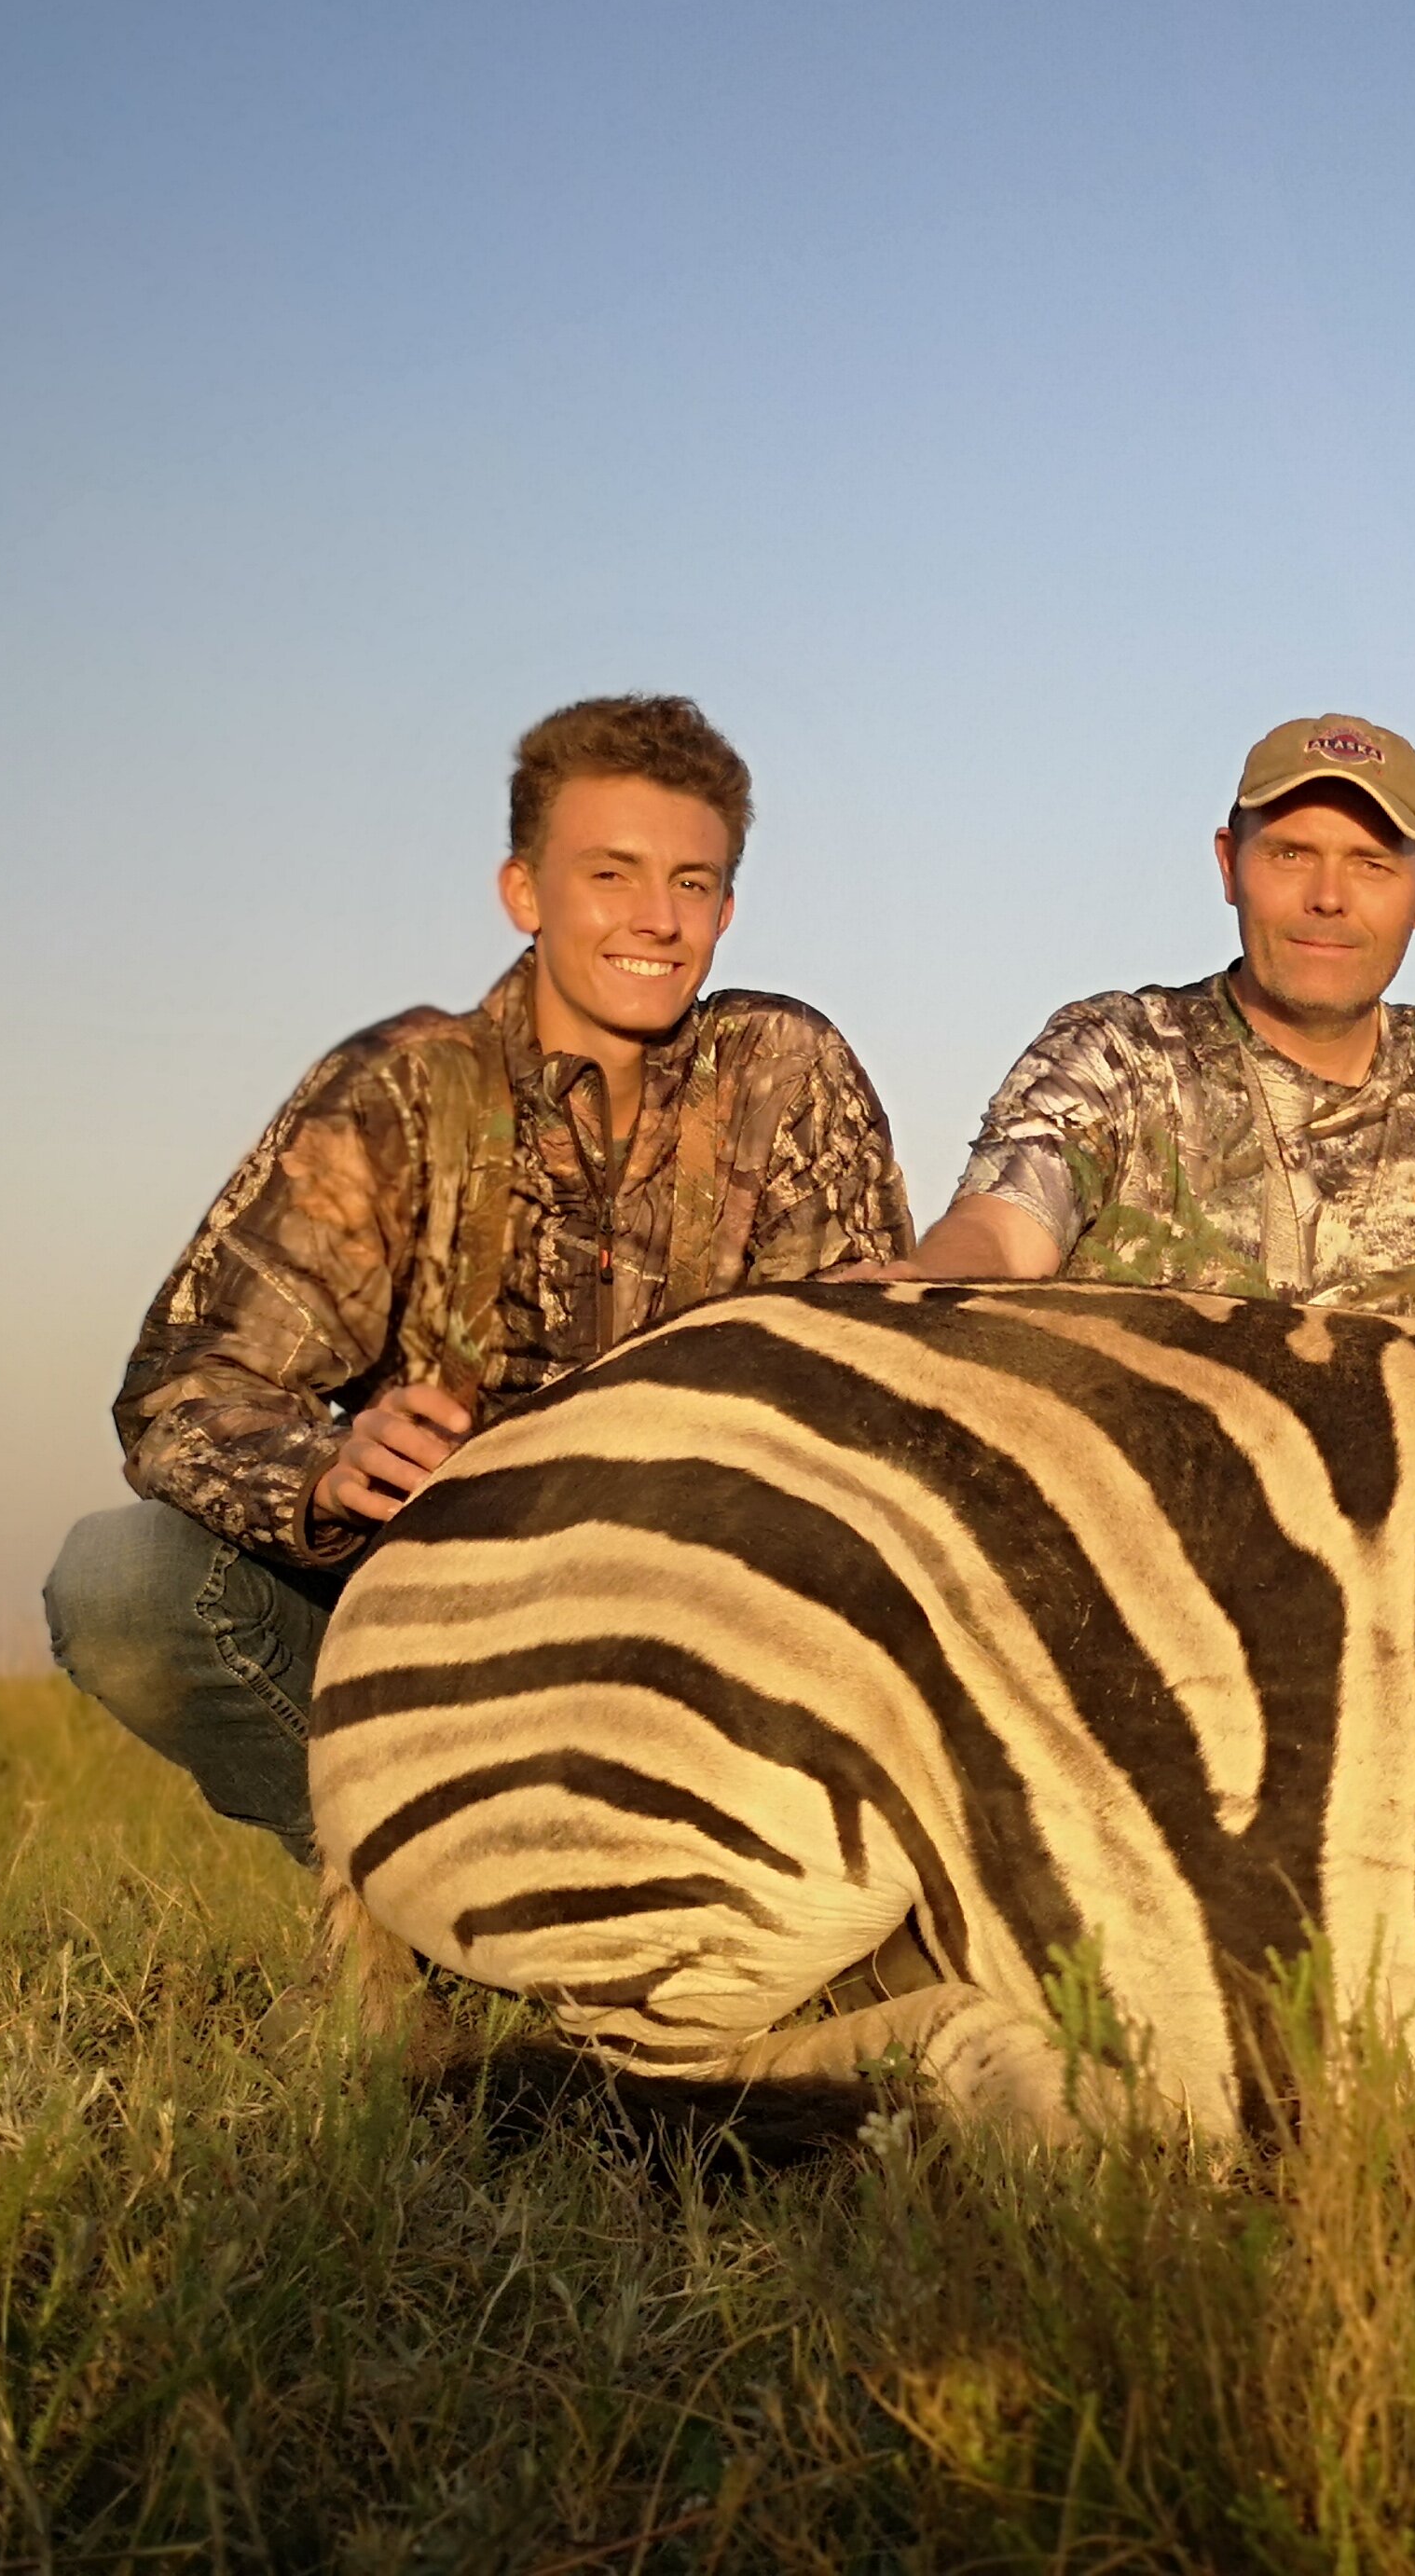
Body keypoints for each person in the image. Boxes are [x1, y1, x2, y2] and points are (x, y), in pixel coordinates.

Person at [46, 696, 914, 1861]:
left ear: (727, 908)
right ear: (523, 892)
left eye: (693, 883)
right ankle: (414, 1887)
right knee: (122, 1586)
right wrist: (324, 1471)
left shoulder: (782, 1069)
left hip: (713, 1633)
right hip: (444, 1623)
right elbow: (184, 1387)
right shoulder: (401, 1091)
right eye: (611, 874)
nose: (657, 919)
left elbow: (869, 1383)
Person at [881, 712, 1415, 1322]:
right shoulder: (1118, 1051)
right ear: (1229, 866)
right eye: (1291, 854)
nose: (1329, 898)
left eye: (1370, 864)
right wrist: (927, 1284)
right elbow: (1004, 1228)